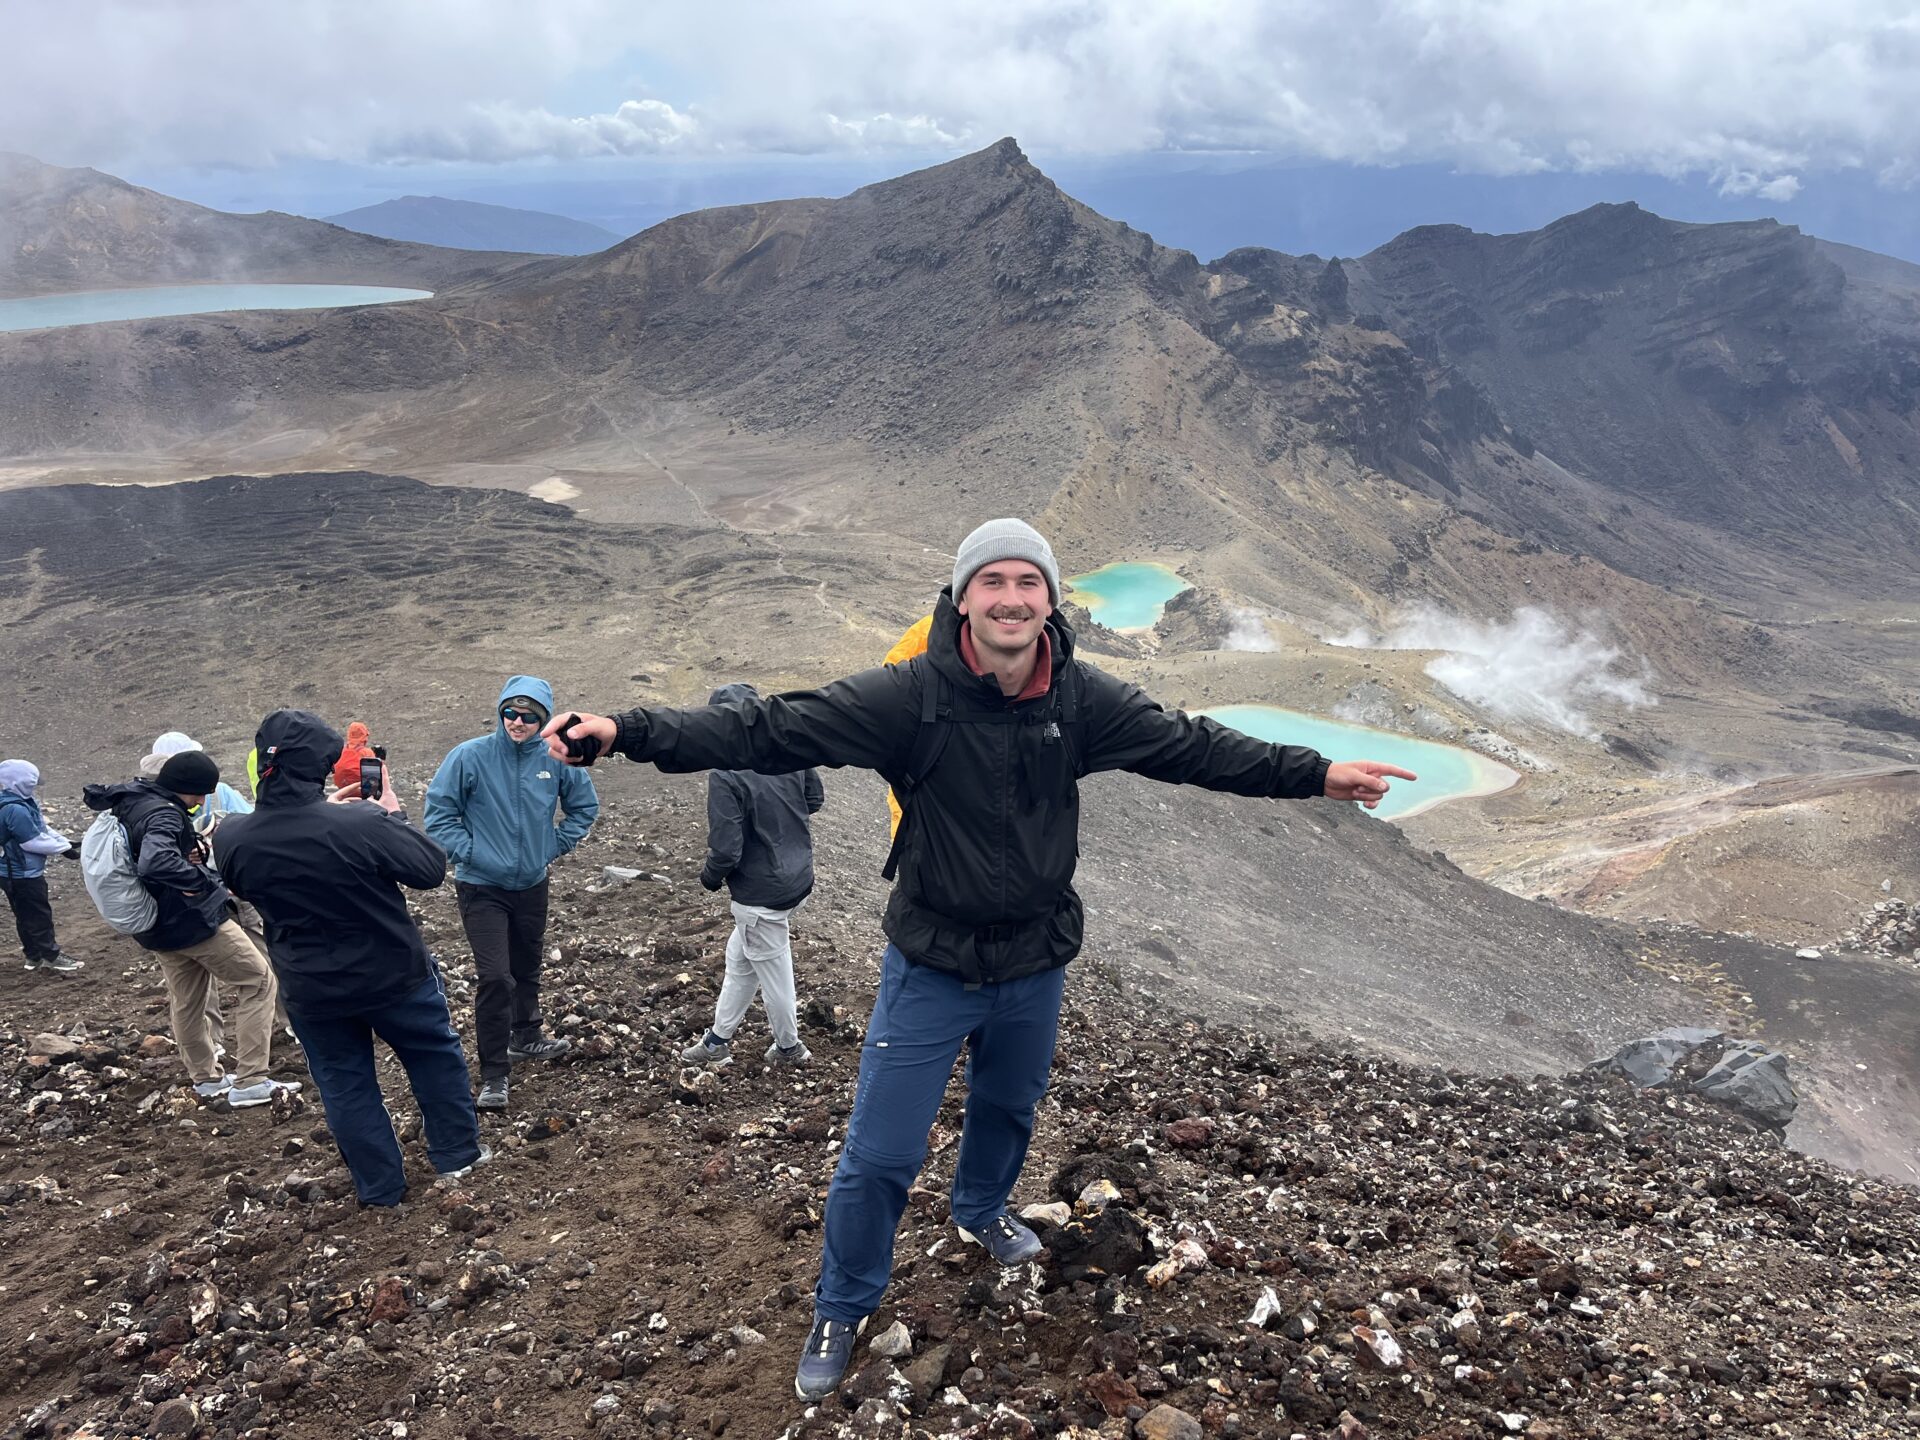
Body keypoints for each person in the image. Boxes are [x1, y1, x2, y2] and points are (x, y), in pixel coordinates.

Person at [542, 516, 1418, 1399]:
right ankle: (844, 1302)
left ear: (1050, 600)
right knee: (880, 1155)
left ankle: (980, 1211)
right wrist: (626, 730)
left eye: (1028, 582)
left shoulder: (1079, 698)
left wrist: (1318, 774)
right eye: (991, 581)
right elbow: (769, 729)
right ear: (963, 599)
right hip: (932, 965)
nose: (1011, 598)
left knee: (1008, 1107)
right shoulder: (908, 697)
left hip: (1035, 961)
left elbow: (1192, 746)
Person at [217, 710, 486, 1206]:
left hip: (310, 987)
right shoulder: (363, 821)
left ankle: (380, 1189)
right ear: (321, 767)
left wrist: (332, 815)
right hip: (394, 975)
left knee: (345, 1086)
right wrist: (389, 813)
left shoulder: (232, 835)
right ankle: (457, 1156)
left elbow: (245, 881)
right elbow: (429, 869)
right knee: (432, 1059)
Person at [424, 676, 600, 1113]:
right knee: (495, 978)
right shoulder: (470, 756)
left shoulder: (556, 757)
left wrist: (552, 846)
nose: (517, 722)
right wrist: (472, 853)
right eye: (510, 713)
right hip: (481, 887)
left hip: (532, 884)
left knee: (525, 967)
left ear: (544, 720)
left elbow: (584, 807)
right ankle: (494, 1074)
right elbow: (439, 813)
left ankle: (527, 1036)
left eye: (528, 717)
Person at [83, 752, 296, 1108]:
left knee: (187, 1001)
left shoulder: (131, 801)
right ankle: (252, 1080)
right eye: (199, 793)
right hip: (193, 922)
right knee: (258, 981)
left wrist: (185, 855)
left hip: (155, 925)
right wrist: (204, 884)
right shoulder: (164, 813)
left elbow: (147, 855)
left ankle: (206, 1080)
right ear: (185, 787)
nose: (201, 800)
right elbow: (156, 861)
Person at [680, 683, 826, 1069]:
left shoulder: (725, 774)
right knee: (741, 958)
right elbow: (814, 799)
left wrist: (710, 878)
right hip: (797, 878)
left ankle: (790, 1048)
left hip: (760, 895)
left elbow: (726, 850)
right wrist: (780, 823)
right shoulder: (788, 750)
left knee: (774, 972)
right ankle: (717, 1039)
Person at [1, 759, 82, 973]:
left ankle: (33, 957)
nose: (35, 787)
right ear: (20, 783)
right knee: (38, 915)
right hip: (21, 874)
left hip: (14, 872)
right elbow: (32, 841)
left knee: (24, 915)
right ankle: (51, 957)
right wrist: (63, 849)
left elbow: (41, 828)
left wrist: (64, 842)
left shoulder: (21, 802)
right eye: (32, 783)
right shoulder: (15, 809)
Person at [330, 722, 379, 794]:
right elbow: (374, 776)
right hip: (359, 790)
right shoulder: (366, 752)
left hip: (342, 789)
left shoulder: (341, 750)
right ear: (364, 736)